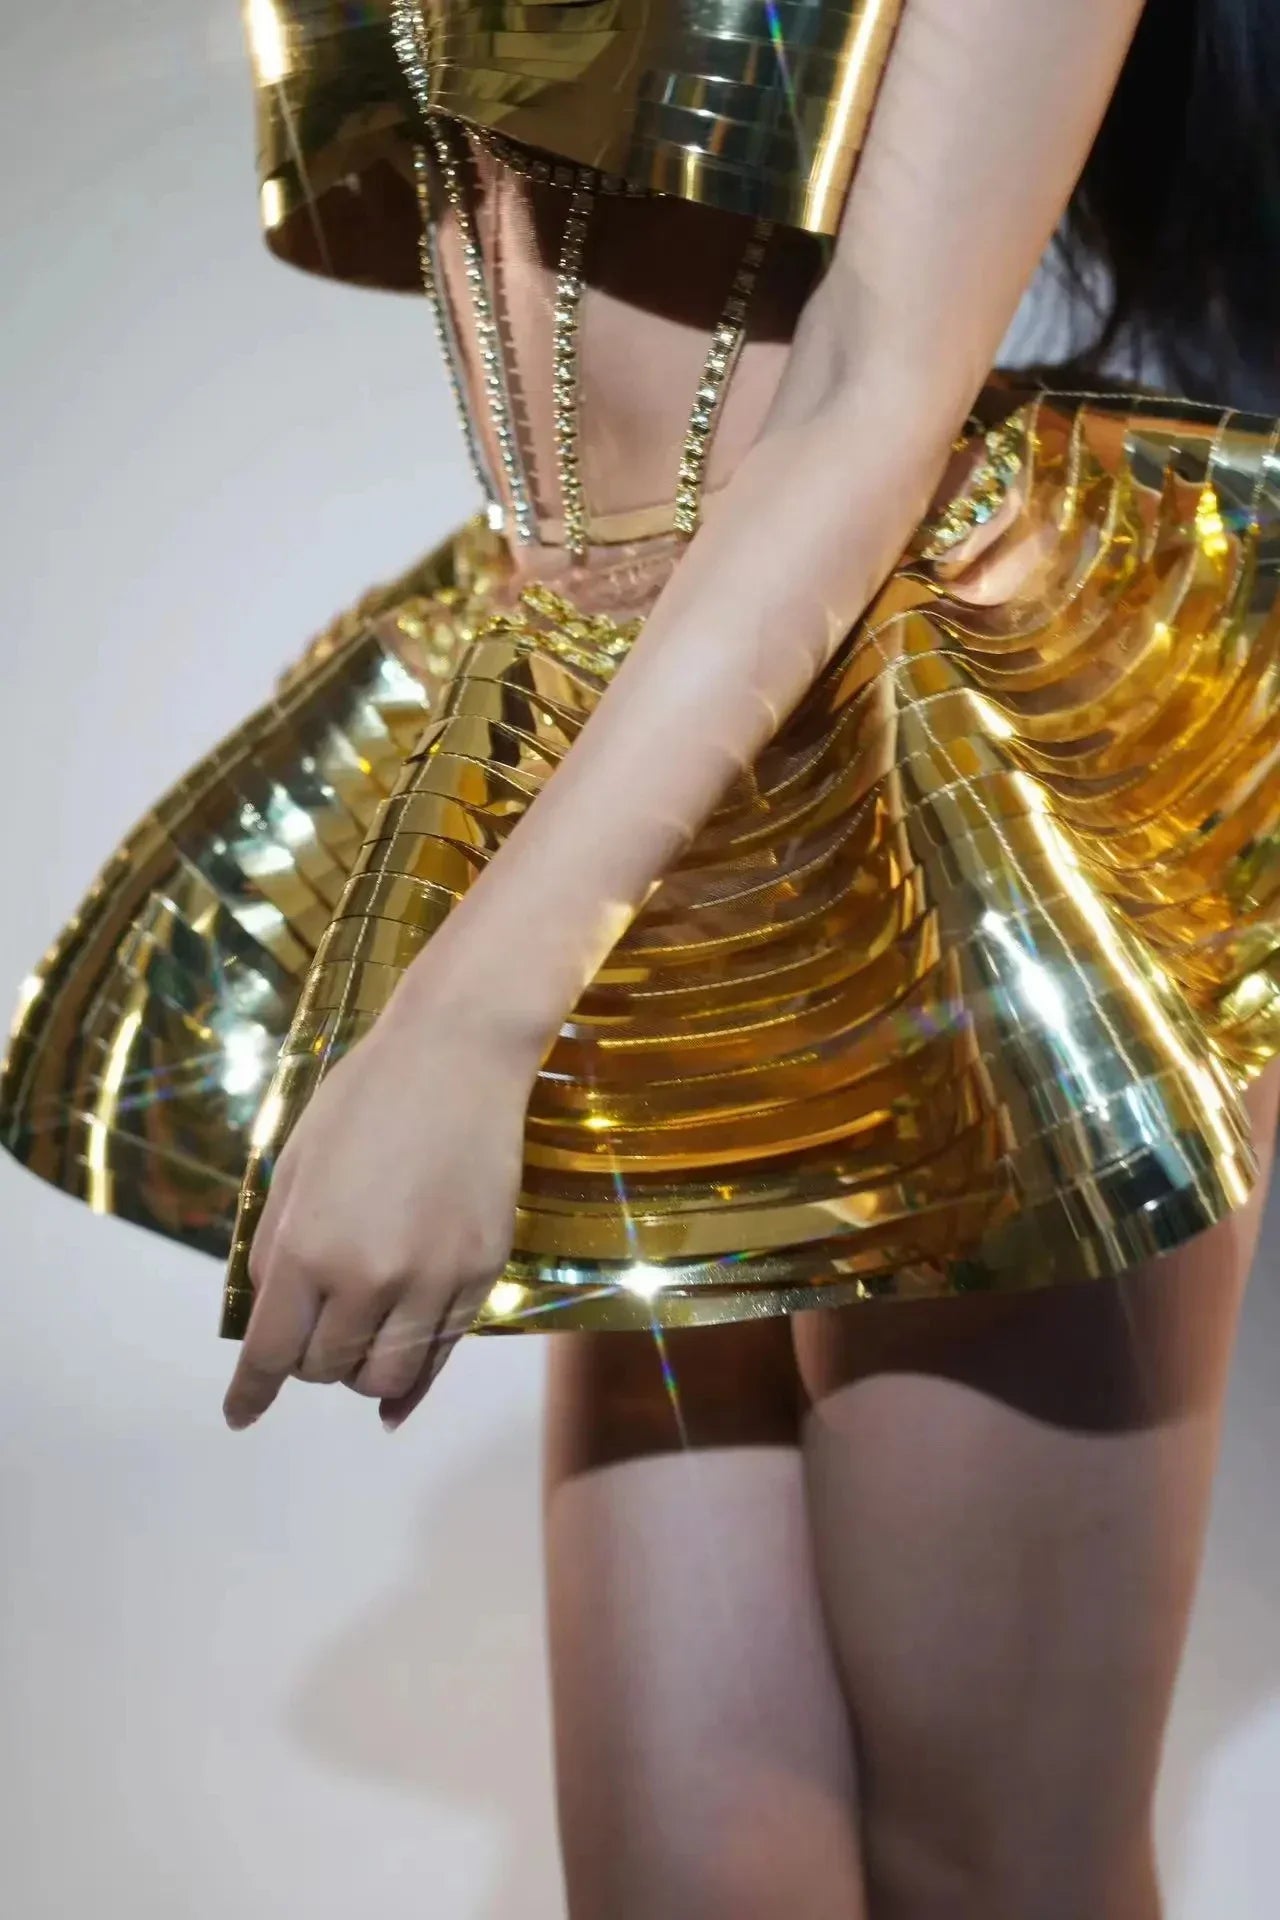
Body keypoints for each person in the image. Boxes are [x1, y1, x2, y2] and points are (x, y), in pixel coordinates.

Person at [4, 2, 1280, 1914]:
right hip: (611, 755)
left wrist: (470, 1017)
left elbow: (869, 384)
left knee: (999, 1875)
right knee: (689, 1880)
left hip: (920, 787)